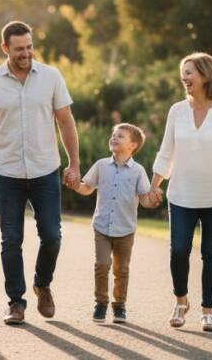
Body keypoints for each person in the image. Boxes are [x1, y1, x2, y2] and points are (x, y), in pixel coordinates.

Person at [0, 20, 80, 325]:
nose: (26, 53)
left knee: (52, 235)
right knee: (11, 240)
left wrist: (74, 163)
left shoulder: (51, 77)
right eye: (19, 49)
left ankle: (43, 283)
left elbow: (66, 121)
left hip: (45, 170)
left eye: (29, 47)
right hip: (8, 173)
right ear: (5, 48)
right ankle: (16, 302)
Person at [148, 52, 212, 332]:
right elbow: (166, 152)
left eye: (189, 72)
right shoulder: (177, 111)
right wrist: (154, 186)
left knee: (211, 253)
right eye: (183, 72)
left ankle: (208, 311)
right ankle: (181, 302)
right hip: (181, 194)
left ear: (206, 75)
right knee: (179, 251)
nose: (184, 77)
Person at [71, 123, 154, 324]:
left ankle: (119, 306)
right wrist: (75, 185)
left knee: (121, 269)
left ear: (133, 145)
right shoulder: (101, 165)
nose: (114, 138)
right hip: (102, 227)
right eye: (114, 134)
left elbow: (144, 199)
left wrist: (152, 201)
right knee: (102, 265)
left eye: (120, 136)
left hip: (125, 229)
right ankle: (100, 303)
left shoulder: (138, 171)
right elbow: (87, 188)